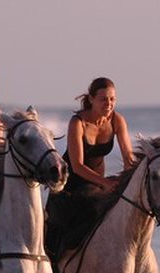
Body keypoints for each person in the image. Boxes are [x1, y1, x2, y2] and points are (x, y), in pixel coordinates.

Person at [45, 77, 134, 259]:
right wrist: (106, 184)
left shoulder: (117, 120)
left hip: (96, 184)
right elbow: (77, 166)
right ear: (91, 99)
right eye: (103, 99)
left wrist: (129, 181)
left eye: (112, 99)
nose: (109, 104)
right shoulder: (78, 122)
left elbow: (128, 157)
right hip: (69, 185)